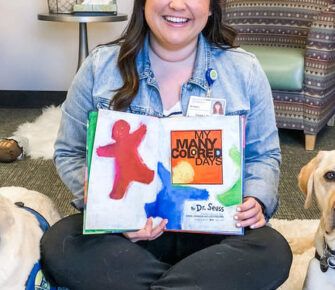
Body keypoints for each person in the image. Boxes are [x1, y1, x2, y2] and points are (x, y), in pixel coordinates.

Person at [40, 0, 292, 289]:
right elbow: (69, 152)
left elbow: (264, 155)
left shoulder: (243, 70)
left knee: (271, 250)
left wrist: (256, 200)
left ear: (210, 7)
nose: (176, 4)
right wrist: (108, 208)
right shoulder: (100, 65)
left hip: (214, 234)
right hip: (128, 235)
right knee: (62, 242)